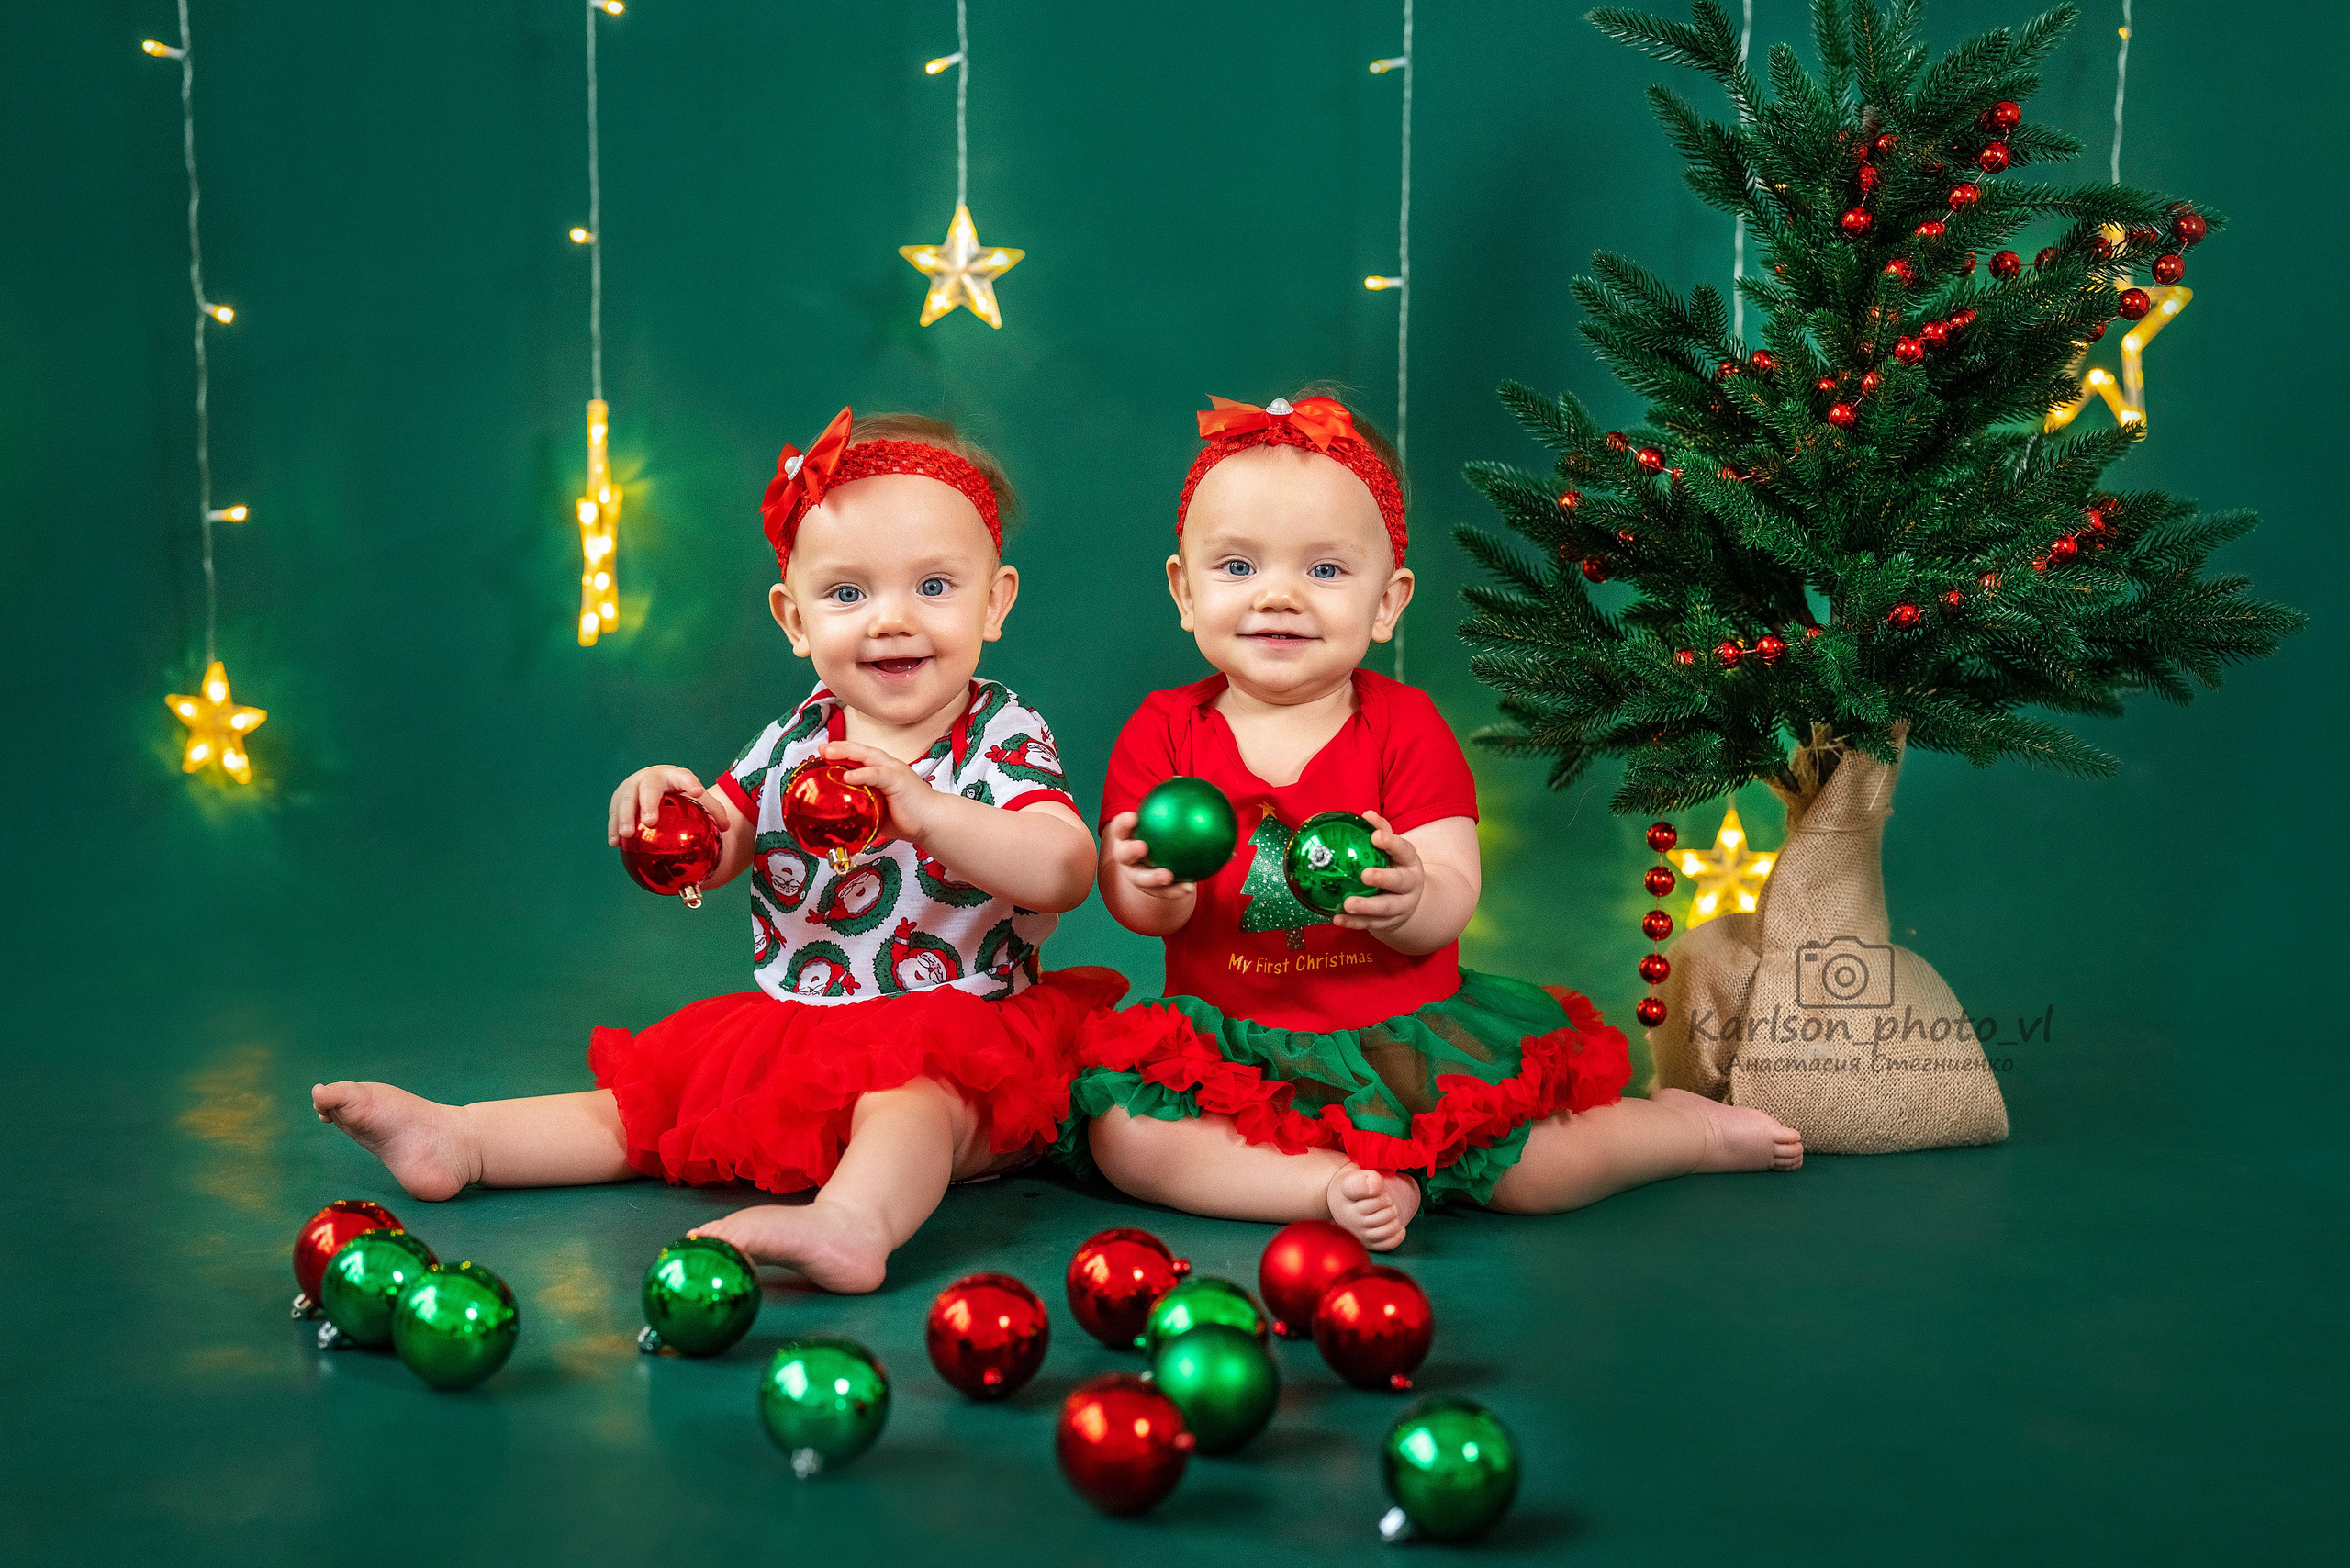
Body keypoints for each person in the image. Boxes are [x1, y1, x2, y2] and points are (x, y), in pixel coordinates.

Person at [315, 408, 1119, 1293]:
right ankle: (464, 1141)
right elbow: (731, 837)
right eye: (849, 595)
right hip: (804, 1035)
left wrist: (929, 813)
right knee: (656, 1102)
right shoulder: (796, 736)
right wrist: (679, 813)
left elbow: (1065, 868)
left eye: (933, 587)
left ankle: (852, 1223)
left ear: (995, 601)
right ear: (795, 620)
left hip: (962, 1037)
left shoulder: (998, 734)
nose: (892, 621)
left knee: (909, 1102)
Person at [1067, 392, 1800, 1250]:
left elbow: (1450, 893)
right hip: (1231, 1048)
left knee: (1536, 1175)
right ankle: (1332, 1187)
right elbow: (1146, 912)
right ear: (1183, 592)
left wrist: (1412, 897)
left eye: (1326, 571)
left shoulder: (1403, 726)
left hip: (1407, 1043)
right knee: (1128, 1138)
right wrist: (1146, 881)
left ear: (1388, 601)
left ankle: (1683, 1131)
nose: (1279, 597)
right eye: (1237, 568)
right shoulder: (1163, 730)